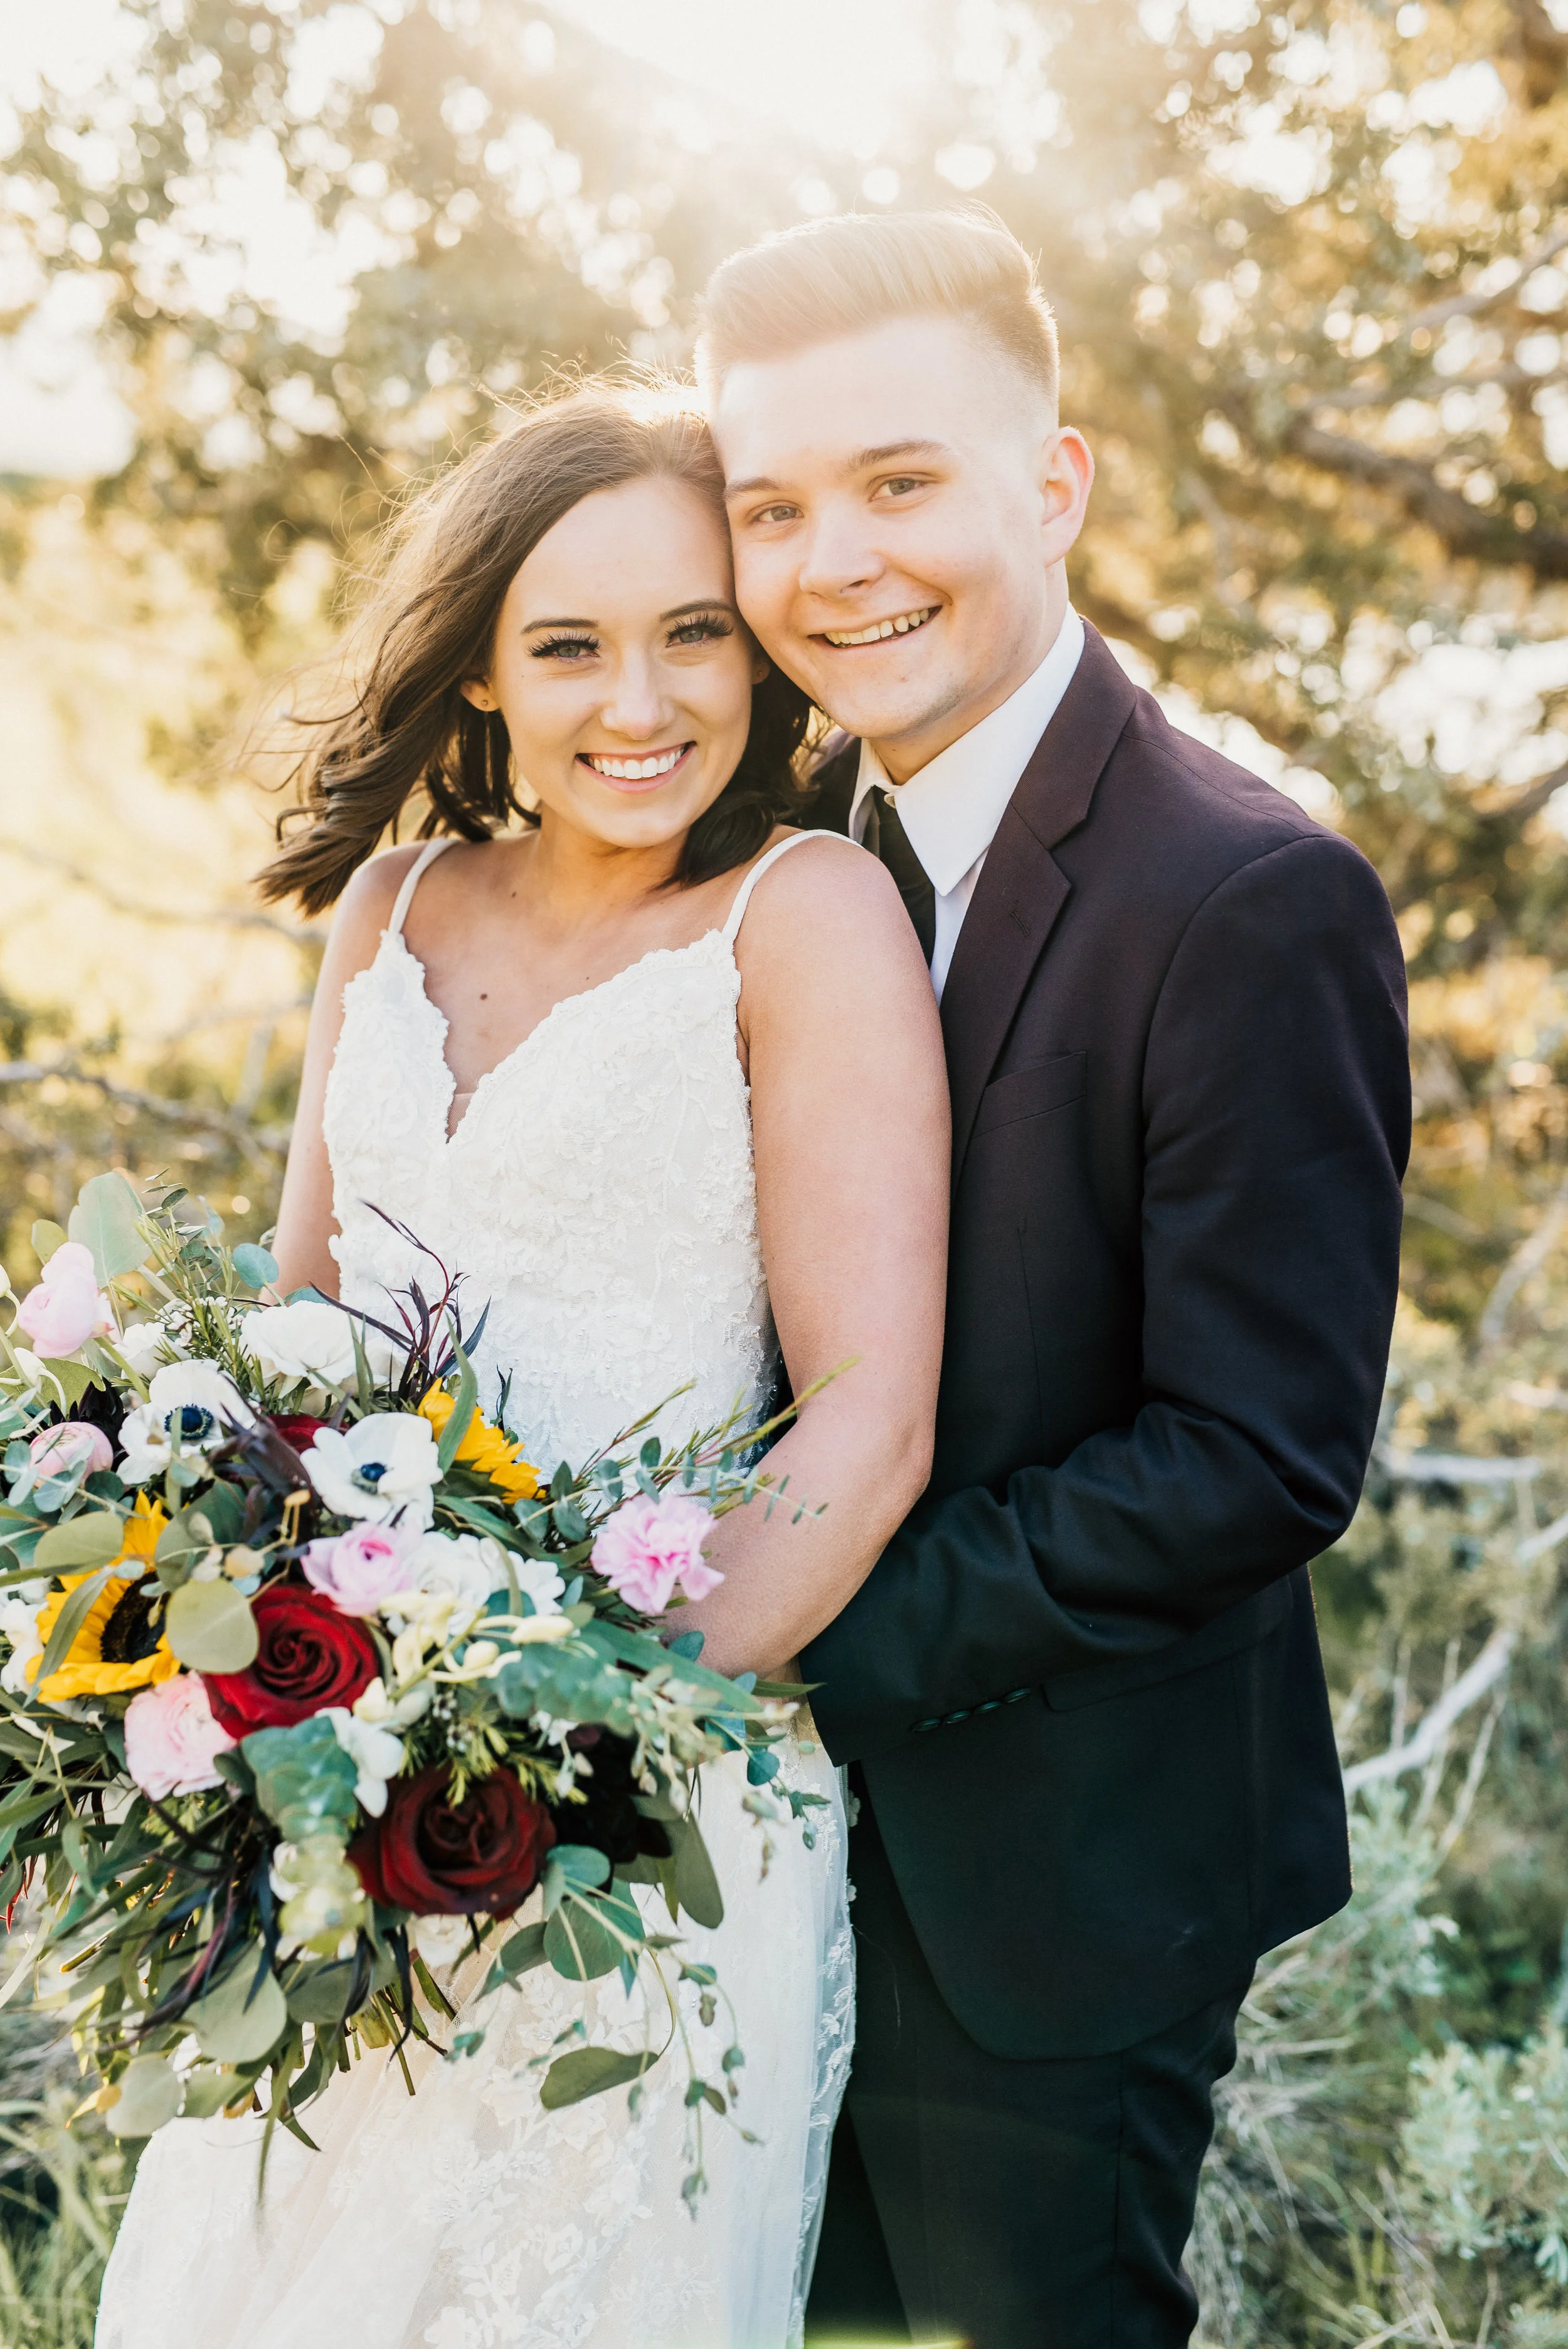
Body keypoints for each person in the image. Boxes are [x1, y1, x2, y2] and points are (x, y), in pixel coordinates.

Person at [93, 385, 950, 2349]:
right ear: (480, 669)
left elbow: (869, 1418)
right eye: (567, 644)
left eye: (691, 633)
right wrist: (241, 1685)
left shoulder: (798, 914)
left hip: (633, 1816)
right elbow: (295, 1340)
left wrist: (557, 1747)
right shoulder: (392, 909)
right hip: (333, 1785)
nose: (637, 700)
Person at [692, 208, 1412, 2348]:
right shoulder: (765, 849)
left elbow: (1249, 1458)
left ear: (1053, 483)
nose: (837, 562)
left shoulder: (1247, 895)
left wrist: (788, 1630)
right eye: (774, 507)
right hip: (746, 1884)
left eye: (900, 483)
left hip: (1055, 1884)